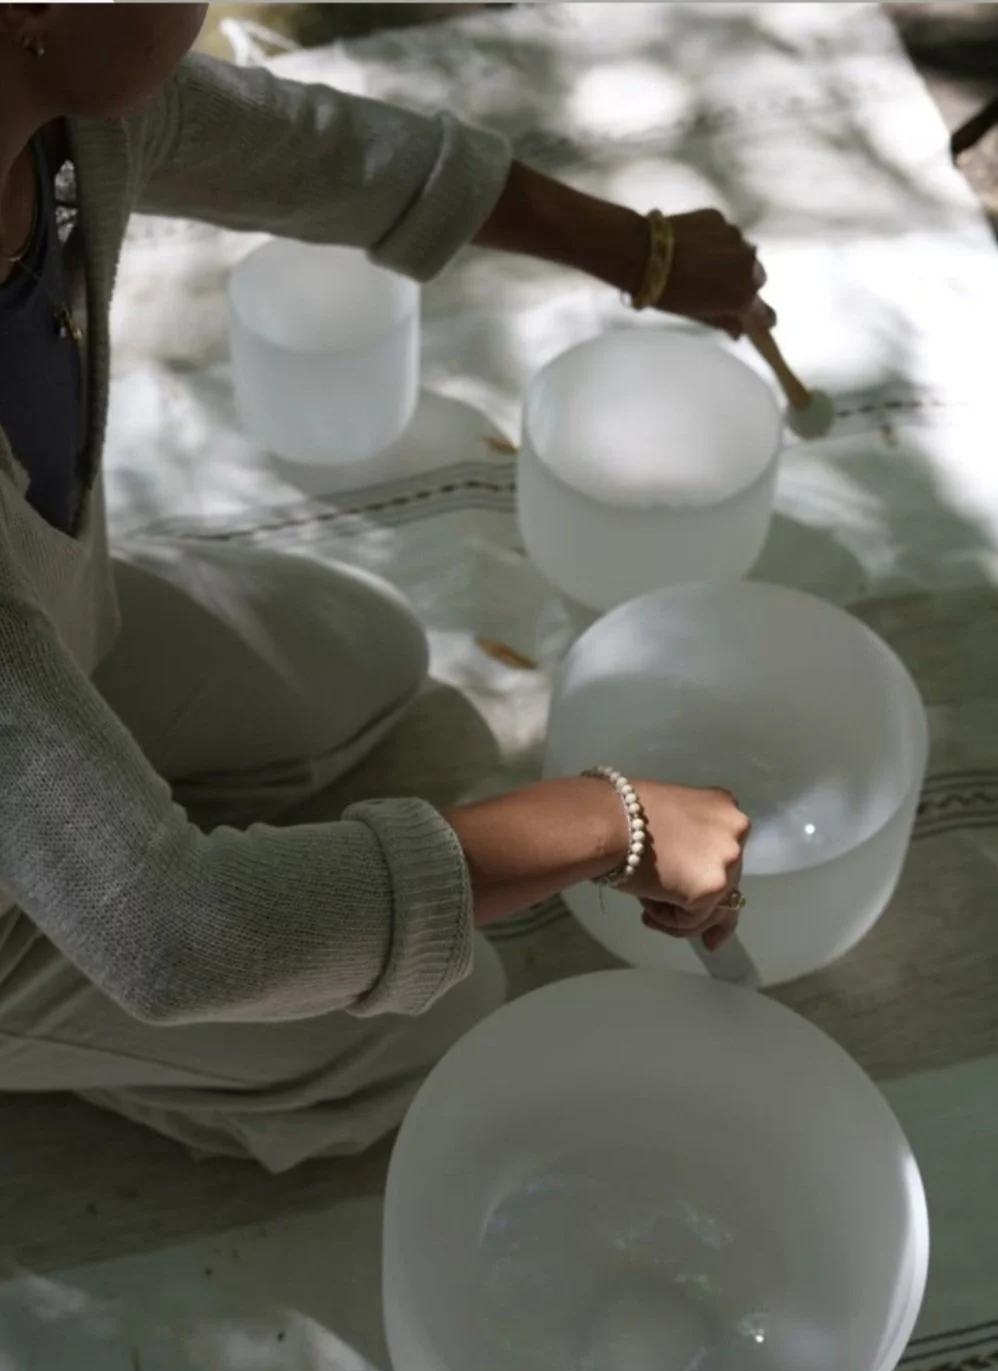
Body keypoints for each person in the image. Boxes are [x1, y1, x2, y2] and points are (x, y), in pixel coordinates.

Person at [0, 3, 763, 1173]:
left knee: (372, 656)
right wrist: (605, 821)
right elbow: (180, 936)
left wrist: (642, 251)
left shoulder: (51, 116)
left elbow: (319, 151)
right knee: (437, 1023)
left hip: (48, 637)